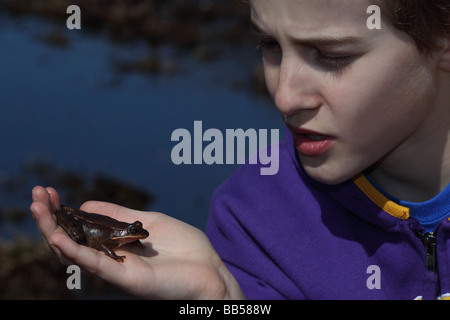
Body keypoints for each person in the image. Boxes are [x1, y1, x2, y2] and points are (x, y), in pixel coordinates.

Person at [31, 0, 450, 300]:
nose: (284, 96)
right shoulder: (251, 218)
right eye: (269, 44)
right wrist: (225, 297)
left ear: (443, 41)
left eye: (330, 54)